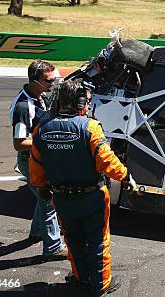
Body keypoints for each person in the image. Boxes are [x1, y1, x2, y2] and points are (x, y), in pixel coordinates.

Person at [29, 79, 137, 296]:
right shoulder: (89, 127)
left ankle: (80, 278)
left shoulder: (41, 129)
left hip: (61, 199)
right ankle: (101, 285)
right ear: (79, 102)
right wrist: (126, 176)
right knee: (98, 242)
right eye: (87, 101)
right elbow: (107, 162)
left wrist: (42, 187)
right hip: (92, 198)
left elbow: (36, 168)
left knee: (73, 240)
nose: (88, 105)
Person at [9, 60, 66, 259]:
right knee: (48, 199)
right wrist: (47, 143)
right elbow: (19, 142)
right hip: (29, 160)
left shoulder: (39, 96)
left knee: (43, 197)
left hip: (38, 158)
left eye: (54, 79)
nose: (53, 83)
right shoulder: (24, 107)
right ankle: (52, 248)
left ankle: (37, 232)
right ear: (35, 81)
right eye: (48, 80)